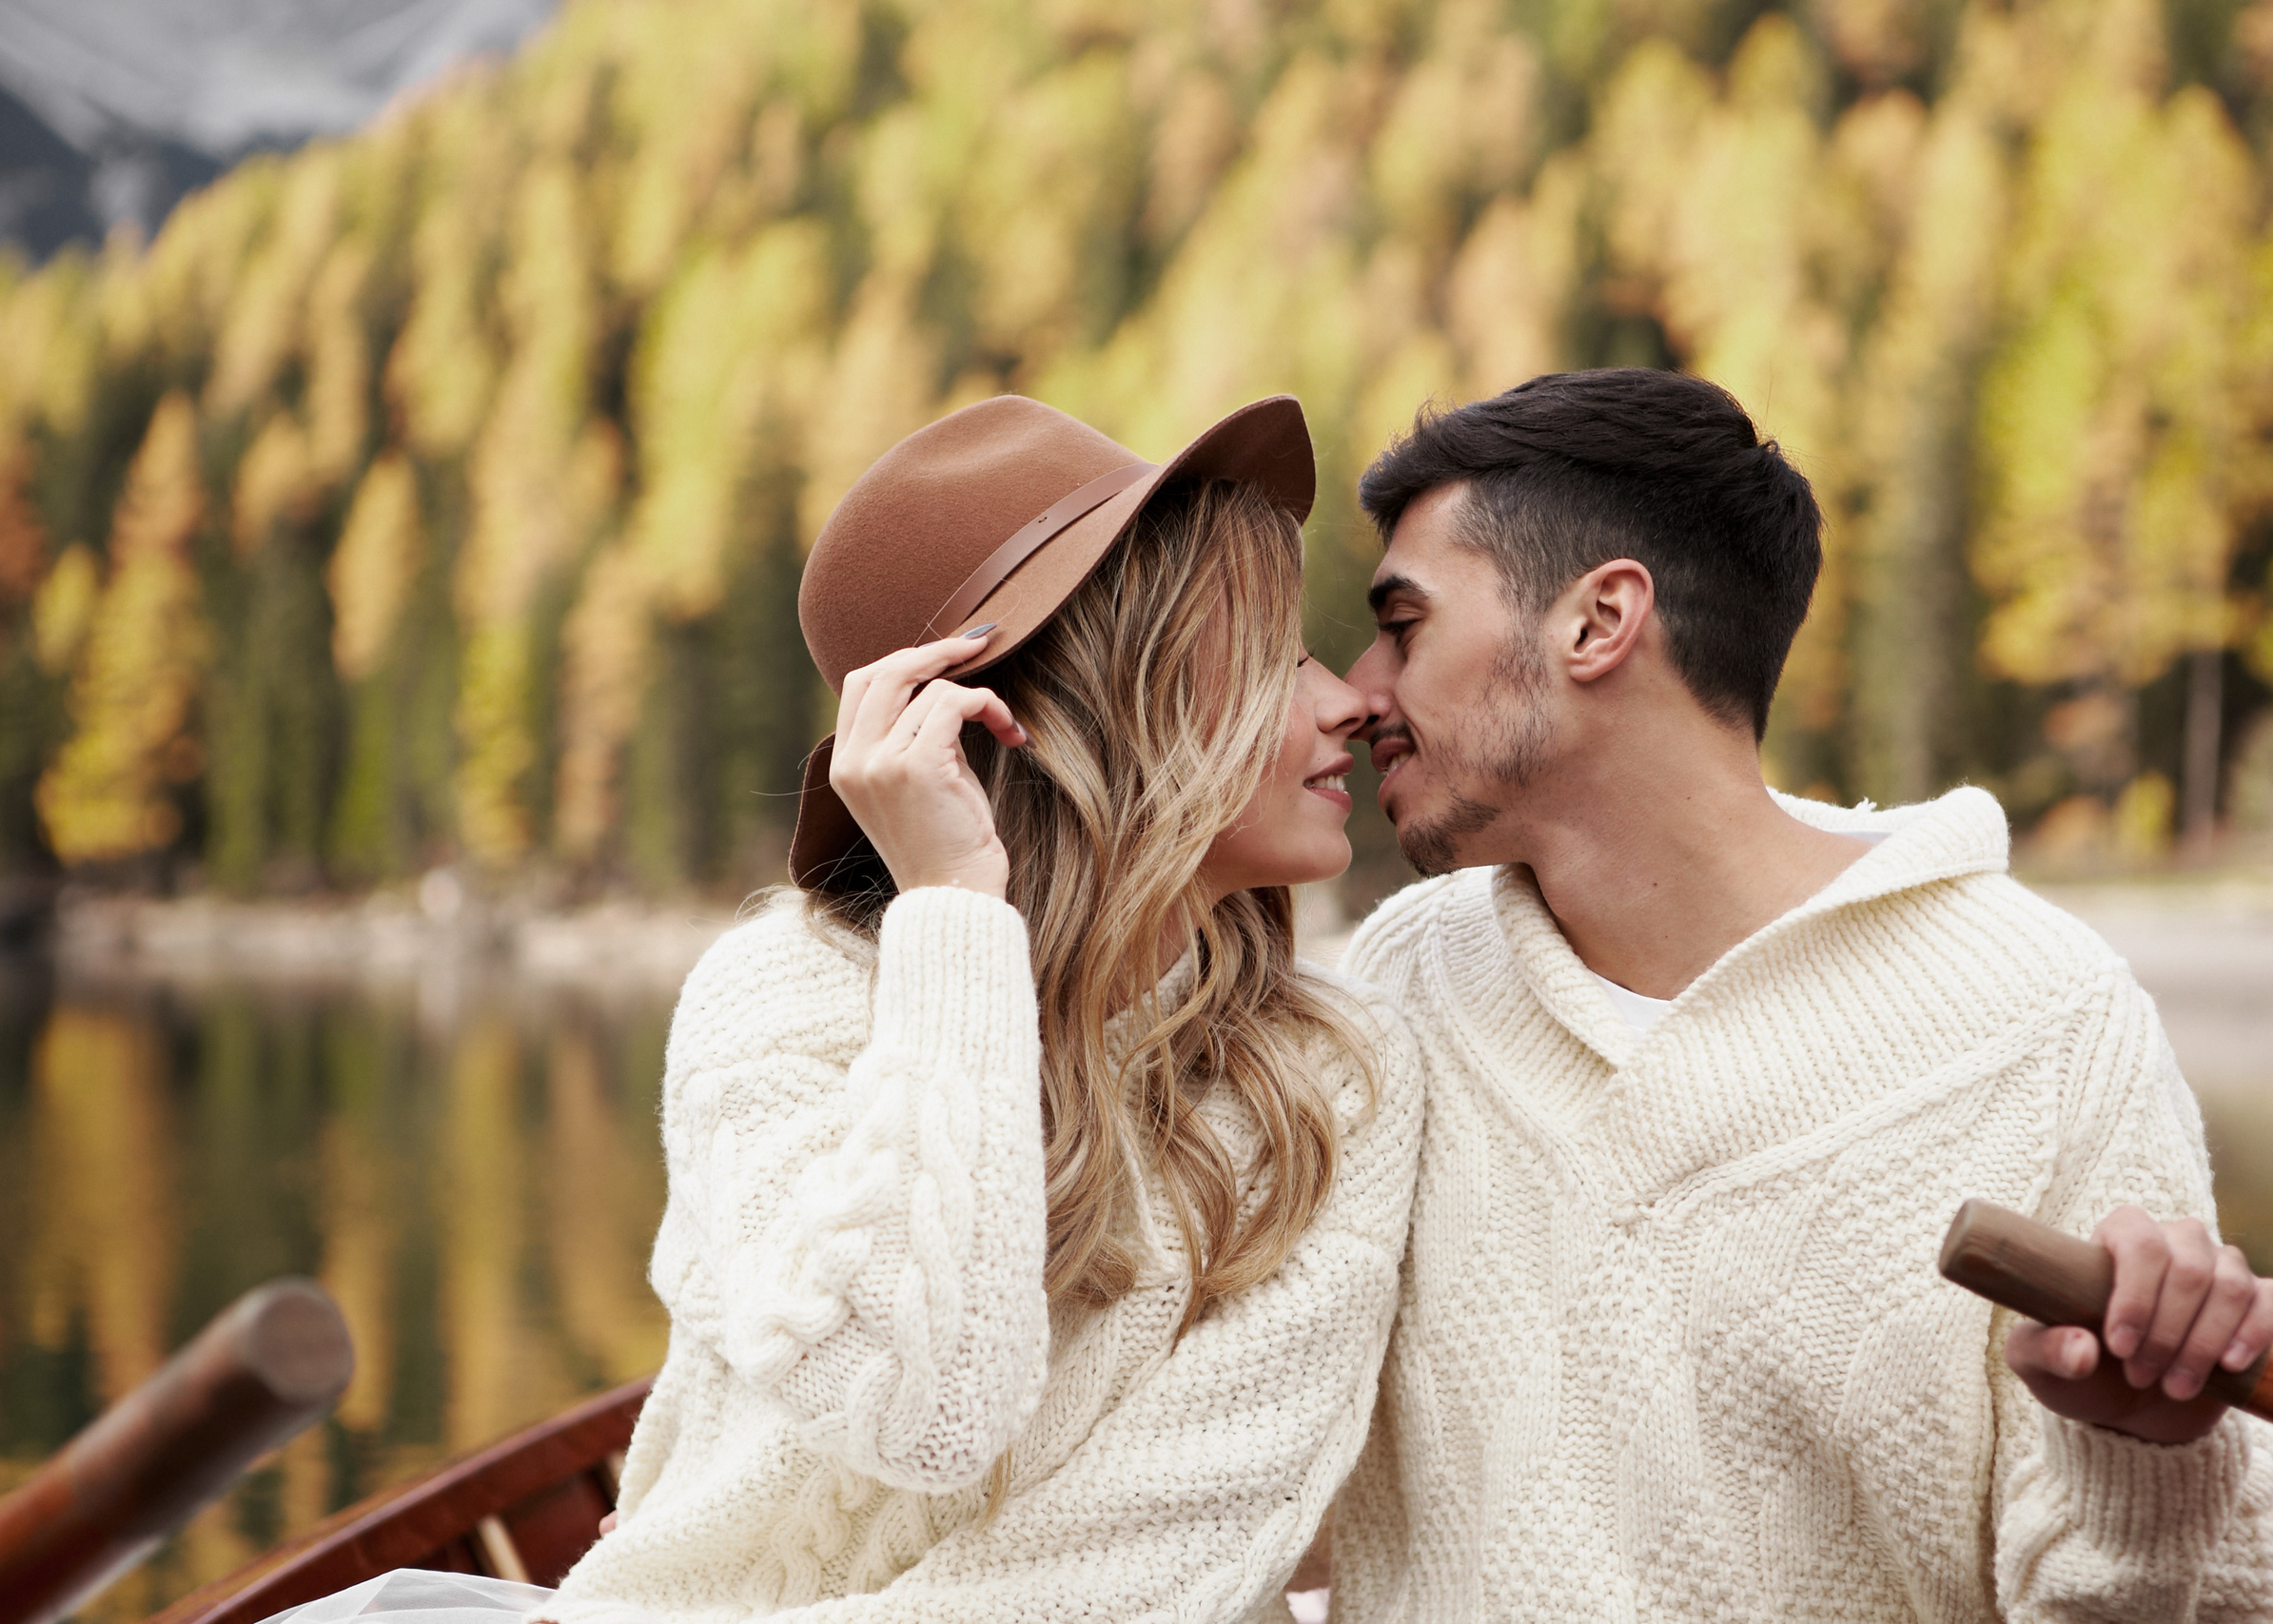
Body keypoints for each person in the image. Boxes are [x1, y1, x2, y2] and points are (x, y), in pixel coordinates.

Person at [272, 396, 1421, 1624]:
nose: (1347, 700)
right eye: (1275, 658)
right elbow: (925, 1411)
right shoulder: (784, 997)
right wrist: (957, 914)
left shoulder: (1334, 1078)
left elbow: (1144, 1575)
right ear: (1077, 710)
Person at [1323, 368, 2273, 1621]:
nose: (1357, 691)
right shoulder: (1404, 979)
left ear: (1598, 622)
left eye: (1402, 625)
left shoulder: (2045, 1022)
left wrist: (2139, 1466)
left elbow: (2222, 1606)